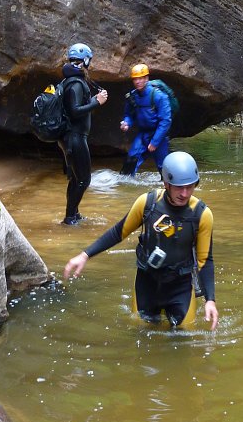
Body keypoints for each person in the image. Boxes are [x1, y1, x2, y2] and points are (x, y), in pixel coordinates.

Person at [63, 151, 219, 330]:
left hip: (180, 286)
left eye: (190, 187)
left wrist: (210, 300)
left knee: (184, 338)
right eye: (178, 187)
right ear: (166, 183)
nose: (184, 193)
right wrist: (85, 255)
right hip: (147, 284)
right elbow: (118, 232)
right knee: (142, 333)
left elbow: (205, 261)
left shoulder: (202, 215)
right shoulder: (147, 204)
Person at [59, 42, 108, 226]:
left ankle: (74, 214)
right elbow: (74, 110)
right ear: (85, 61)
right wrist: (97, 102)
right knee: (84, 180)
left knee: (75, 178)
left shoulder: (70, 80)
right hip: (76, 137)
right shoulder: (76, 83)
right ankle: (70, 218)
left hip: (71, 137)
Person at [119, 63, 172, 177]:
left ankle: (169, 189)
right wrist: (126, 123)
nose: (138, 81)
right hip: (143, 135)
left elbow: (165, 121)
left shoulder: (159, 96)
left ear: (147, 78)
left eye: (141, 78)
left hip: (159, 136)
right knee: (130, 161)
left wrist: (155, 141)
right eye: (135, 79)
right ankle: (124, 188)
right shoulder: (132, 96)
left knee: (164, 168)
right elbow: (129, 114)